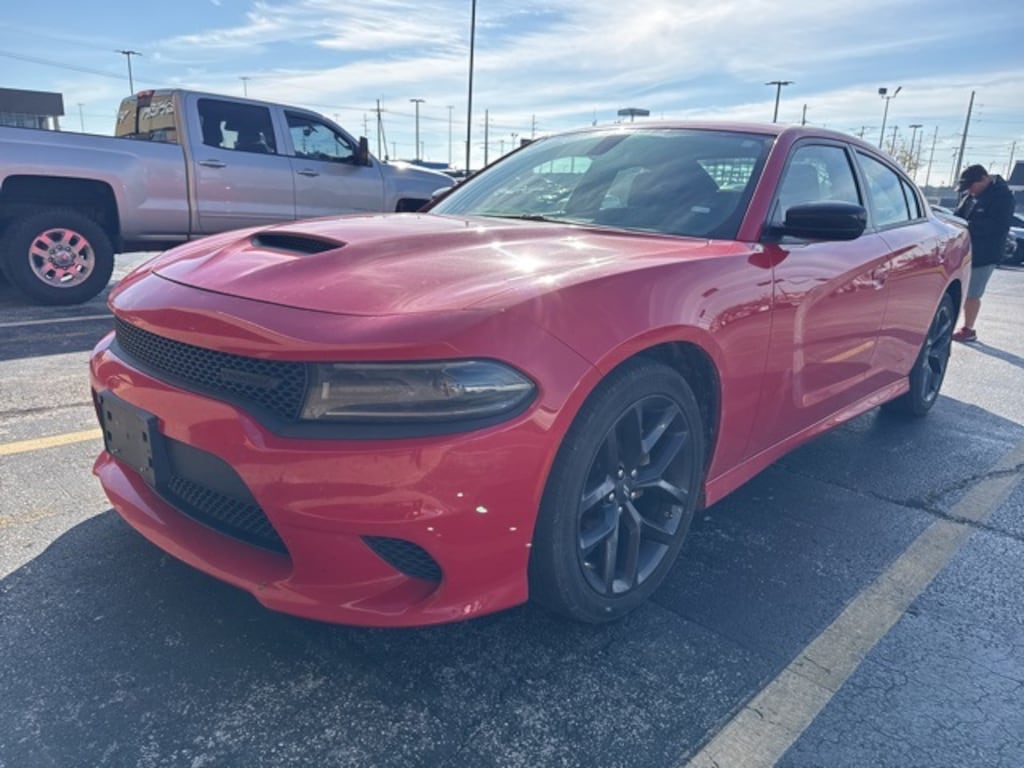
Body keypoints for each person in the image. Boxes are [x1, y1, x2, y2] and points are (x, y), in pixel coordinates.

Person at [951, 164, 1015, 343]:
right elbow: (958, 215)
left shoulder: (1003, 196)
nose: (969, 190)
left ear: (984, 179)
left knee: (973, 292)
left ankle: (968, 329)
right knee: (958, 288)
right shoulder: (970, 195)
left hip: (985, 252)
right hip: (964, 249)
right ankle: (951, 323)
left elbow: (998, 226)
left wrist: (968, 226)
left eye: (972, 185)